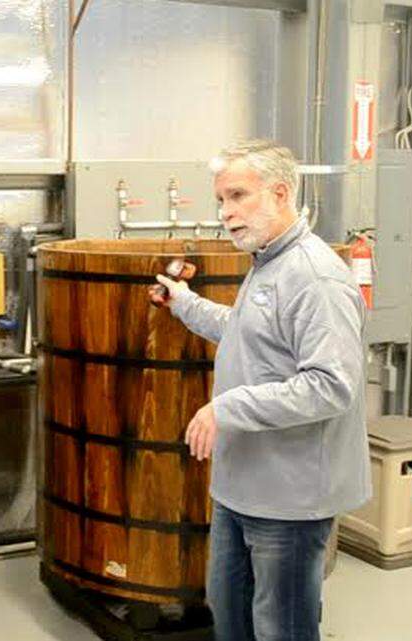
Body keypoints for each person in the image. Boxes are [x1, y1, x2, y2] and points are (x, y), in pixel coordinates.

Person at [149, 139, 371, 641]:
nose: (226, 213)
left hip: (289, 498)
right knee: (231, 614)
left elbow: (331, 385)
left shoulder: (315, 277)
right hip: (243, 485)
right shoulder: (269, 262)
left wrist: (226, 408)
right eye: (221, 200)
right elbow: (248, 332)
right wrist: (185, 303)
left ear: (280, 193)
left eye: (237, 196)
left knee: (280, 628)